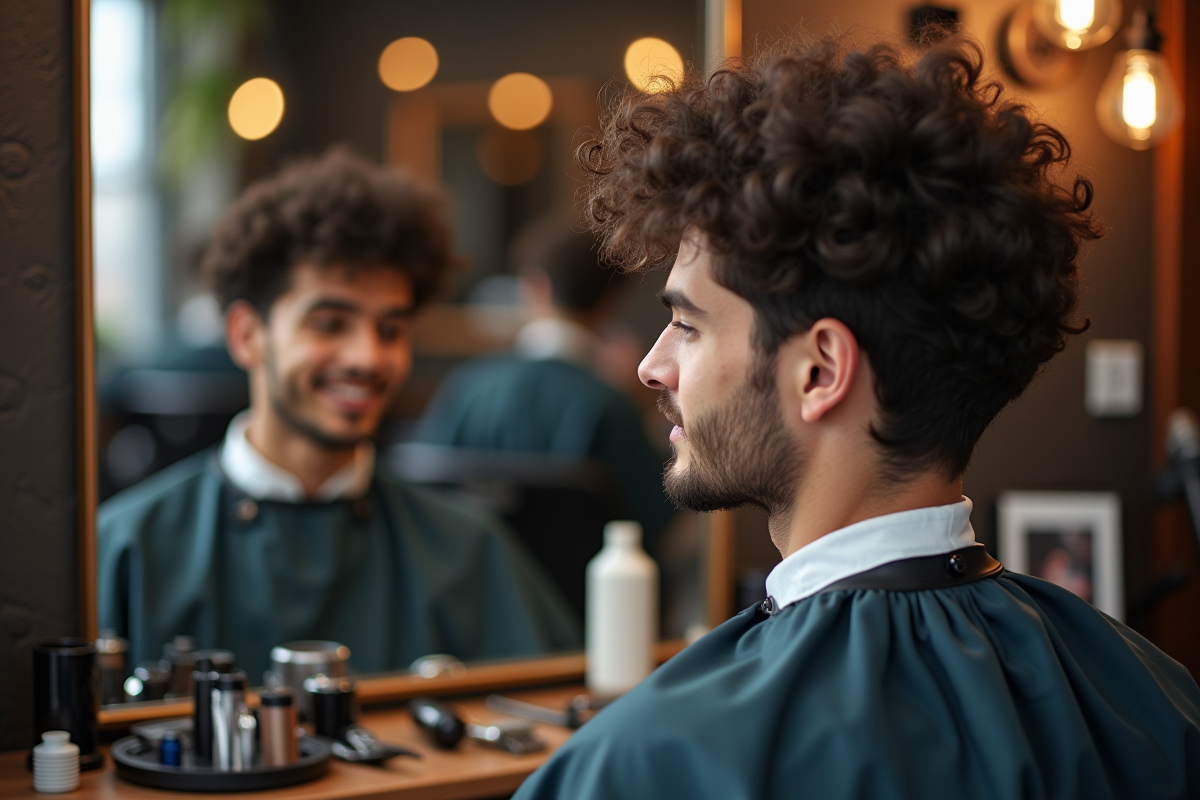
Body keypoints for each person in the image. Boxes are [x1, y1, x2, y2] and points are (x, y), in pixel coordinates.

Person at [513, 36, 1200, 799]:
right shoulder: (1153, 698)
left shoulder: (648, 764)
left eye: (688, 326)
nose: (652, 366)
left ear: (820, 371)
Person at [97, 150, 580, 681]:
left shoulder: (467, 548)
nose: (368, 357)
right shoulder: (130, 547)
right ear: (246, 335)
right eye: (329, 324)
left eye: (390, 329)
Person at [415, 221, 674, 548]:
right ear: (610, 302)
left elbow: (423, 498)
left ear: (534, 287)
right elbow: (655, 522)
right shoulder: (614, 406)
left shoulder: (465, 388)